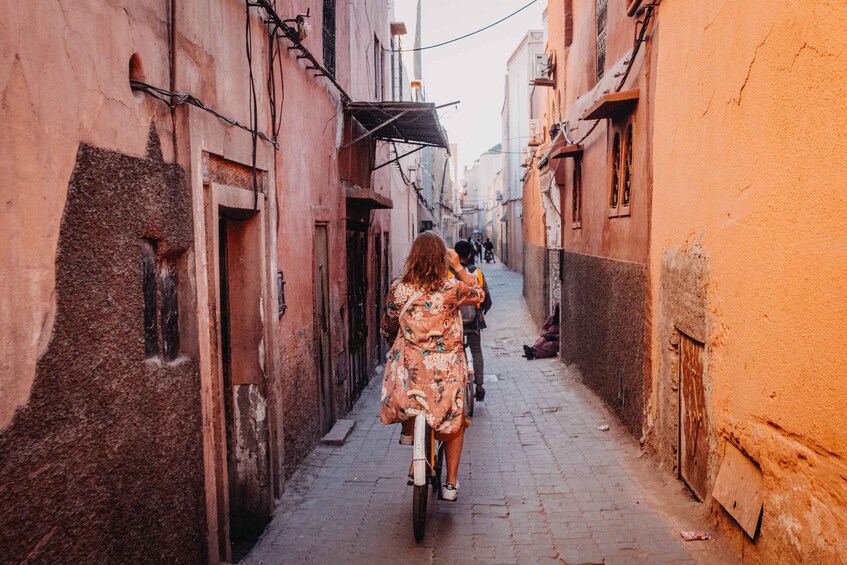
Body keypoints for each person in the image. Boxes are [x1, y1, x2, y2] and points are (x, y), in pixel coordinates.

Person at [380, 232, 485, 501]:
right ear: (443, 258)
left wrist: (395, 338)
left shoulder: (399, 288)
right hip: (445, 369)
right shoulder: (452, 289)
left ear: (413, 257)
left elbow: (388, 323)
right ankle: (450, 483)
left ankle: (409, 430)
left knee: (409, 394)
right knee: (454, 420)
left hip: (411, 367)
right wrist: (459, 267)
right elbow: (479, 293)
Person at [453, 240, 492, 401]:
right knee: (476, 350)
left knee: (454, 353)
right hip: (473, 321)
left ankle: (455, 386)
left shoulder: (447, 275)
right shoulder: (477, 273)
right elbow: (487, 300)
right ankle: (480, 385)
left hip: (454, 324)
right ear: (469, 254)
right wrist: (480, 310)